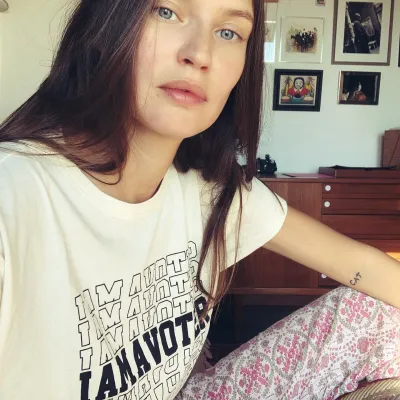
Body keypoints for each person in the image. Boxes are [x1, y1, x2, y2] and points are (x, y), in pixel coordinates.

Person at [0, 1, 399, 399]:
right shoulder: (15, 197)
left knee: (381, 315)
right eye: (166, 11)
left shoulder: (209, 188)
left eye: (229, 32)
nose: (200, 54)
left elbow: (360, 265)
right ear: (107, 19)